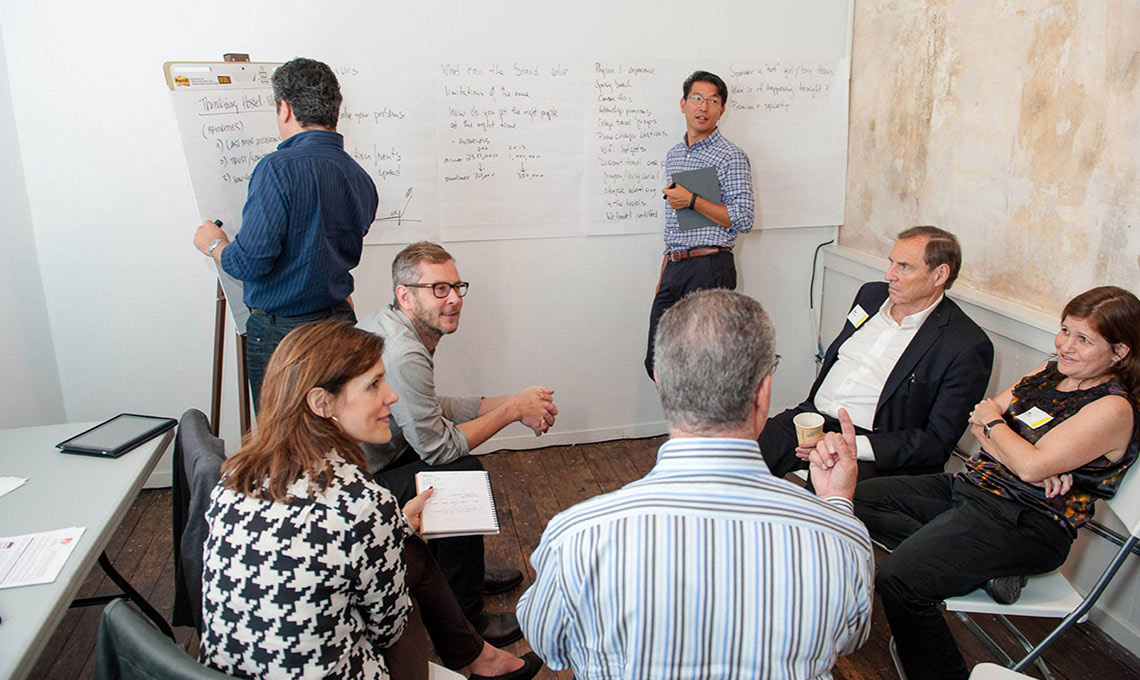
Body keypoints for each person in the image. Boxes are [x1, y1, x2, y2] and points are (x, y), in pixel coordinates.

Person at [518, 289, 873, 678]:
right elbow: (847, 639)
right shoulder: (842, 539)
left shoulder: (576, 537)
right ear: (763, 393)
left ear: (660, 381)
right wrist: (837, 502)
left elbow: (548, 643)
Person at [198, 321, 541, 680]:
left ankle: (481, 659)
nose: (391, 395)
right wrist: (386, 533)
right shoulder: (360, 504)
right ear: (321, 402)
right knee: (406, 575)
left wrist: (391, 531)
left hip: (235, 669)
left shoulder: (235, 478)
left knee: (405, 546)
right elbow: (389, 629)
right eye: (374, 384)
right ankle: (478, 659)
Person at [853, 286, 1140, 680]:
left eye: (1084, 339)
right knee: (857, 496)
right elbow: (980, 415)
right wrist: (1023, 453)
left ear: (1120, 352)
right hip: (973, 488)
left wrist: (1011, 443)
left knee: (901, 580)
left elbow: (1010, 445)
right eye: (1065, 331)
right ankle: (984, 570)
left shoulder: (1112, 407)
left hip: (1027, 521)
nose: (1066, 346)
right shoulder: (1048, 372)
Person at [357, 241, 558, 646]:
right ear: (405, 295)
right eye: (438, 289)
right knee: (460, 473)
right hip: (360, 486)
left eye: (456, 287)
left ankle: (460, 571)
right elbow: (437, 449)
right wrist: (512, 411)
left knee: (456, 470)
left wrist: (512, 401)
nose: (453, 299)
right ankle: (464, 621)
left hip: (376, 462)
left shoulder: (392, 323)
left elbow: (427, 408)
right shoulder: (402, 351)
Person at [192, 57, 378, 407]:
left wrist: (214, 244)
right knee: (334, 431)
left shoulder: (277, 169)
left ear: (285, 109)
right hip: (338, 323)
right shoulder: (359, 177)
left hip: (284, 335)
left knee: (283, 446)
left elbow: (249, 265)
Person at [760, 226, 994, 480]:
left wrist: (852, 445)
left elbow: (936, 442)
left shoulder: (966, 344)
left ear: (939, 275)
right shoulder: (871, 296)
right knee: (732, 455)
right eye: (891, 263)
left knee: (824, 491)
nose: (889, 275)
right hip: (812, 422)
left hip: (874, 448)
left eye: (904, 267)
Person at [644, 70, 755, 378]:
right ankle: (684, 426)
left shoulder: (731, 156)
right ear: (683, 104)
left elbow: (744, 217)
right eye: (697, 99)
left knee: (702, 366)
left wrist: (692, 200)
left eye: (712, 101)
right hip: (675, 267)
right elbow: (674, 223)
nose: (703, 107)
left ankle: (701, 428)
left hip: (710, 265)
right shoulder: (675, 155)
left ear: (722, 109)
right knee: (658, 361)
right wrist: (665, 273)